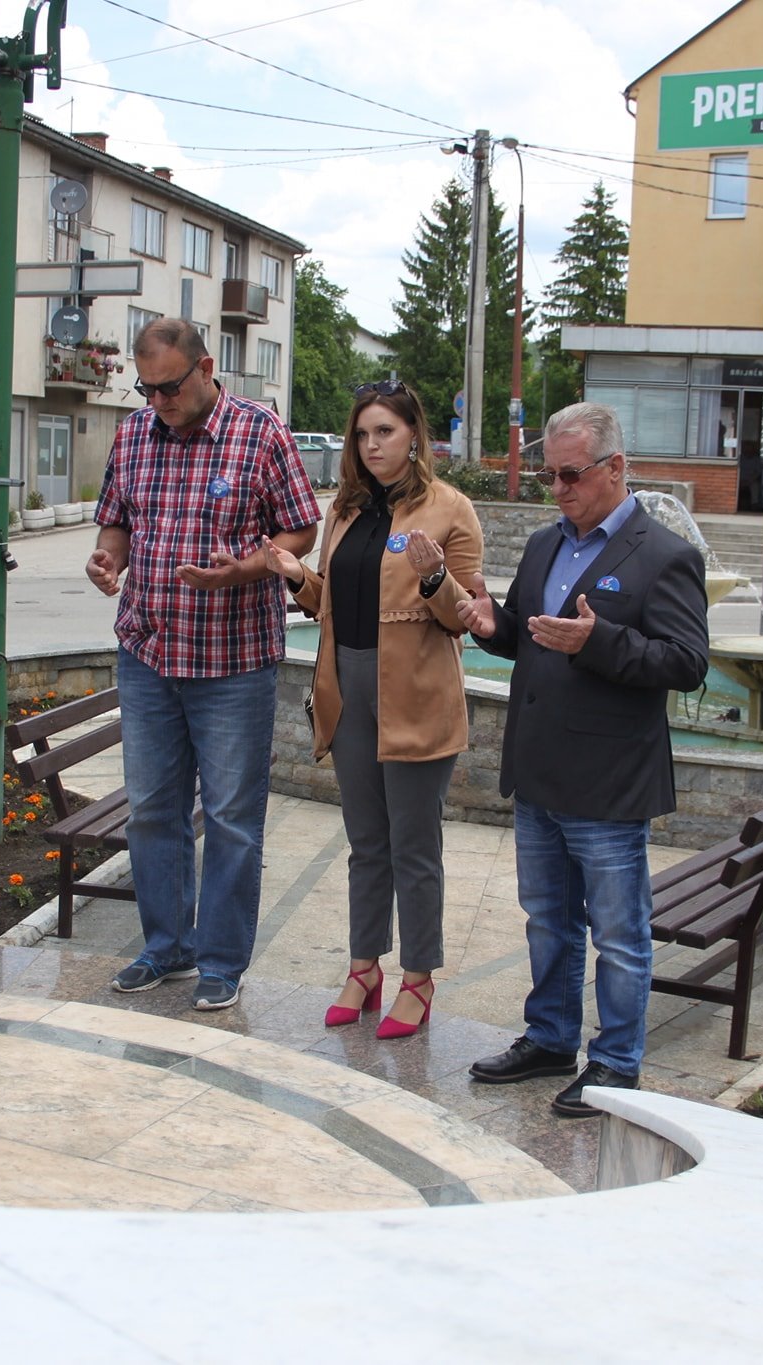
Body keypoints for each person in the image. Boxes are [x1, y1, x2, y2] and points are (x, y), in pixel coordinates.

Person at [455, 402, 710, 1118]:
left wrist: (598, 642)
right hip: (540, 769)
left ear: (615, 467)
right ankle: (550, 1038)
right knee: (547, 920)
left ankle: (617, 1062)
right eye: (550, 476)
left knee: (619, 933)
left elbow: (687, 663)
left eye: (571, 475)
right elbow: (526, 635)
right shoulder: (545, 544)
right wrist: (492, 624)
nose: (559, 489)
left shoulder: (665, 555)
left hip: (609, 780)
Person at [86, 318, 320, 1010]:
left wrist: (242, 568)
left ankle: (220, 960)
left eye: (169, 387)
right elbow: (117, 518)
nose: (158, 401)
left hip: (232, 661)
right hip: (148, 653)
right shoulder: (134, 434)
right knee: (152, 812)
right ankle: (167, 947)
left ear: (206, 367)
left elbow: (301, 526)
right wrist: (108, 559)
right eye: (147, 389)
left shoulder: (260, 431)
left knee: (230, 818)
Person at [262, 380, 485, 1039]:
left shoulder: (451, 509)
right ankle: (364, 969)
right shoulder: (346, 510)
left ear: (414, 435)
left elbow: (466, 618)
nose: (371, 445)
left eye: (384, 431)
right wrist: (298, 576)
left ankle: (418, 979)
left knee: (414, 847)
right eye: (362, 434)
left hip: (416, 694)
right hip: (348, 687)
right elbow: (331, 603)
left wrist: (435, 576)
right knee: (365, 844)